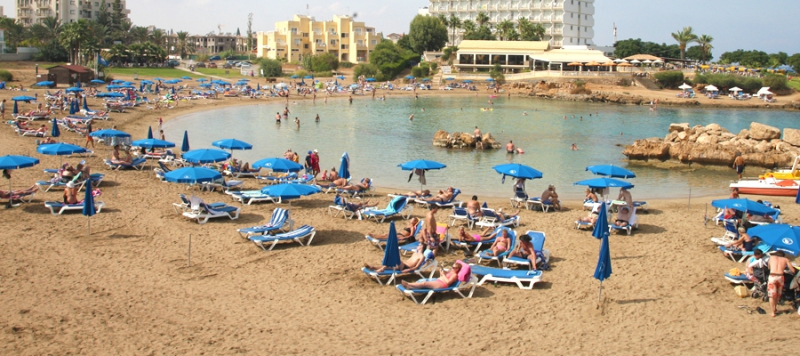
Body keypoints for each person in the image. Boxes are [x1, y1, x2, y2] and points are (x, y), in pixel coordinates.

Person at [766, 251, 796, 317]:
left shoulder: (771, 258)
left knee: (771, 295)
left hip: (772, 276)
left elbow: (768, 267)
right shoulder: (786, 259)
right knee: (778, 294)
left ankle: (772, 312)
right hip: (780, 277)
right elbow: (793, 270)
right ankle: (775, 308)